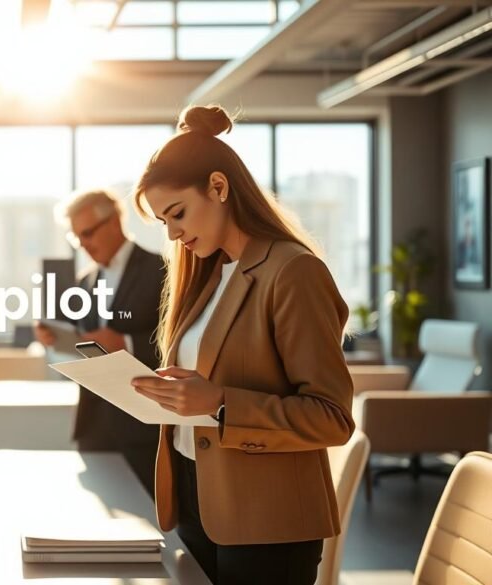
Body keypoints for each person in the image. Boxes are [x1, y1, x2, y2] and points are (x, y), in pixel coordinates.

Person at [131, 105, 354, 585]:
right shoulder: (210, 275)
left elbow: (331, 417)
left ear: (218, 187)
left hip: (266, 521)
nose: (172, 233)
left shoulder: (292, 271)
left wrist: (219, 403)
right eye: (163, 221)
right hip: (197, 500)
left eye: (177, 213)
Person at [34, 189, 165, 496]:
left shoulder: (162, 271)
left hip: (144, 427)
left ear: (115, 221)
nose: (83, 244)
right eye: (76, 237)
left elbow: (180, 343)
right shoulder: (85, 281)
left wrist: (128, 343)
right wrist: (56, 339)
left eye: (88, 233)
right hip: (93, 425)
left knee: (150, 513)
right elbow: (83, 341)